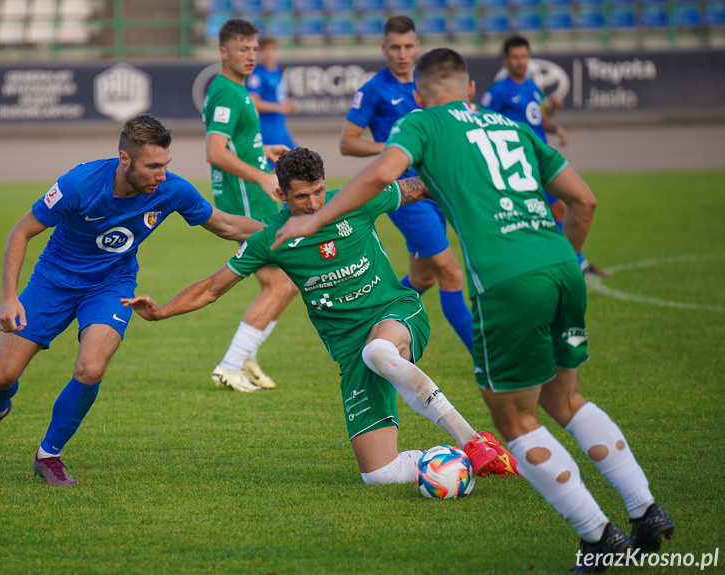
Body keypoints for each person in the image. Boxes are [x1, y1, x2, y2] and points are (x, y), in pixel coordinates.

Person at [273, 48, 674, 572]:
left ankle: (598, 537)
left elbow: (378, 175)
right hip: (561, 267)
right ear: (471, 89)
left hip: (507, 279)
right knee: (567, 398)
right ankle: (646, 509)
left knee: (516, 419)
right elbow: (584, 201)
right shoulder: (512, 126)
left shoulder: (422, 123)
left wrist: (314, 218)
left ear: (418, 96)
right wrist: (564, 260)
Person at [123, 147, 519, 483]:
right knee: (378, 475)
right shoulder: (271, 240)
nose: (314, 205)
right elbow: (212, 287)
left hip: (394, 313)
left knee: (380, 352)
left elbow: (422, 186)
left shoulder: (358, 200)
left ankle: (471, 440)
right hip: (349, 352)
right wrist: (161, 313)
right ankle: (453, 464)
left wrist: (478, 184)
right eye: (301, 198)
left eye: (318, 192)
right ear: (281, 194)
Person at [0, 114, 265, 486]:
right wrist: (8, 298)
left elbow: (227, 225)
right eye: (152, 166)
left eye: (166, 164)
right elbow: (20, 232)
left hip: (111, 285)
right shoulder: (79, 183)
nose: (161, 175)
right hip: (53, 280)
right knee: (3, 376)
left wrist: (287, 230)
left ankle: (48, 455)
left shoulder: (173, 190)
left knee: (92, 368)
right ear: (124, 159)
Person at [339, 15, 473, 356]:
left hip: (436, 188)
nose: (402, 53)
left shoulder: (429, 83)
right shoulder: (373, 90)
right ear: (384, 48)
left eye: (408, 46)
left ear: (417, 46)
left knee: (424, 277)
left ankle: (368, 325)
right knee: (450, 273)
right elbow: (348, 142)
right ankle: (485, 358)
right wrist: (390, 147)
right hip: (406, 195)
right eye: (395, 47)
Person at [203, 18, 300, 393]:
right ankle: (231, 364)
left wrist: (263, 155)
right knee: (278, 285)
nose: (251, 56)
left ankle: (245, 356)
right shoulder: (227, 92)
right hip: (246, 203)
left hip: (254, 198)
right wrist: (261, 176)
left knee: (286, 284)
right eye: (243, 49)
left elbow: (236, 145)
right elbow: (215, 152)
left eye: (254, 49)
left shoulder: (237, 89)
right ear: (223, 52)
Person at [481, 35, 612, 278]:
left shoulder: (531, 85)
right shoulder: (498, 92)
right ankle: (563, 265)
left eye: (524, 56)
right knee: (543, 212)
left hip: (541, 158)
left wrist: (554, 126)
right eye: (515, 57)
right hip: (518, 163)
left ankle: (572, 263)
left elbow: (537, 117)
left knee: (558, 209)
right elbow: (481, 124)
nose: (520, 62)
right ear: (505, 60)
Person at [247, 36, 297, 170]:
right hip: (267, 128)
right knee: (275, 168)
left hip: (280, 126)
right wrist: (280, 107)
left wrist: (286, 105)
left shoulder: (276, 71)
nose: (268, 53)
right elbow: (253, 102)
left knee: (296, 162)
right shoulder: (257, 74)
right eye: (264, 50)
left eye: (271, 49)